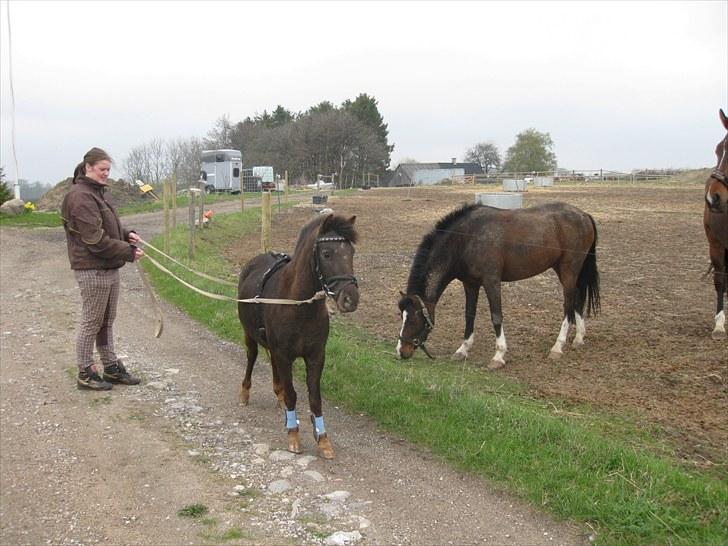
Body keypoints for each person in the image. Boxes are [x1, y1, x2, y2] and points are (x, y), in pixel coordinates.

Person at [61, 147, 144, 390]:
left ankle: (111, 367)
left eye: (108, 169)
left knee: (107, 321)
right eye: (102, 169)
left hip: (108, 267)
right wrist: (127, 252)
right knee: (92, 321)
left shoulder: (98, 193)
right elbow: (94, 239)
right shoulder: (79, 196)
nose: (106, 174)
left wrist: (126, 235)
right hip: (92, 268)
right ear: (88, 167)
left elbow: (107, 229)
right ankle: (85, 371)